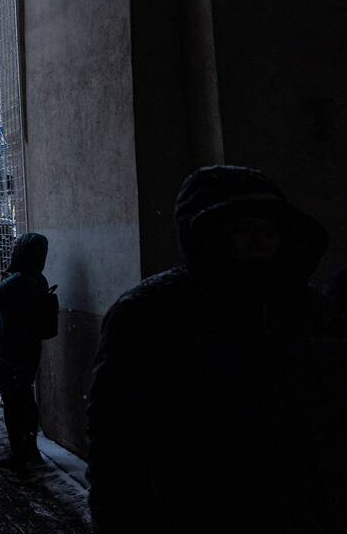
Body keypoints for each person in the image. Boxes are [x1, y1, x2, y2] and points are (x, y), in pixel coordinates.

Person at [86, 166, 347, 532]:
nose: (258, 240)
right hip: (192, 510)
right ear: (209, 234)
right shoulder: (152, 313)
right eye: (242, 229)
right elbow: (117, 441)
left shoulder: (309, 309)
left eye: (268, 229)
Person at [0, 232, 51, 468]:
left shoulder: (20, 280)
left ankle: (19, 452)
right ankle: (30, 449)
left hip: (11, 349)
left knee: (14, 402)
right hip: (27, 348)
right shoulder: (38, 279)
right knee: (24, 400)